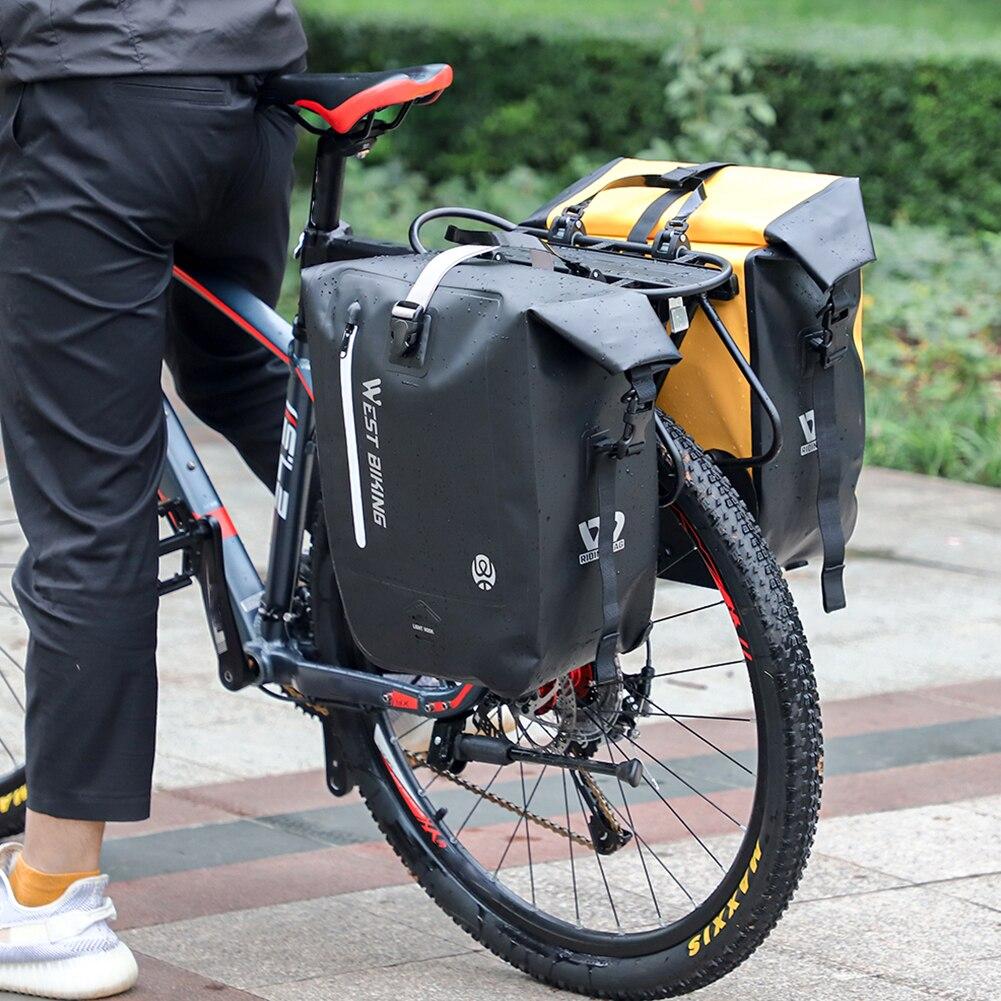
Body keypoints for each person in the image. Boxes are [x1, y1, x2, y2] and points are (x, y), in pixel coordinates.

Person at [0, 3, 307, 996]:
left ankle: (53, 898)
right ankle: (436, 619)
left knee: (88, 499)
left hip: (96, 102)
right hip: (246, 87)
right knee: (242, 376)